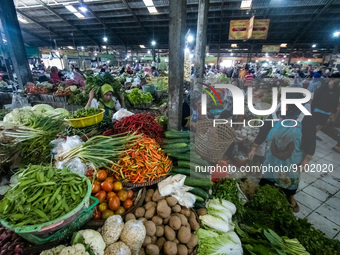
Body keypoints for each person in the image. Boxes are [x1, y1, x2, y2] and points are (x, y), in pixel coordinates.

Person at [249, 93, 316, 212]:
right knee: (268, 174)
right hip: (272, 154)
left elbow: (311, 138)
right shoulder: (276, 114)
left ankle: (290, 196)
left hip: (293, 156)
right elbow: (264, 130)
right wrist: (254, 147)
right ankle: (263, 191)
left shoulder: (304, 117)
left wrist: (307, 159)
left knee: (290, 177)